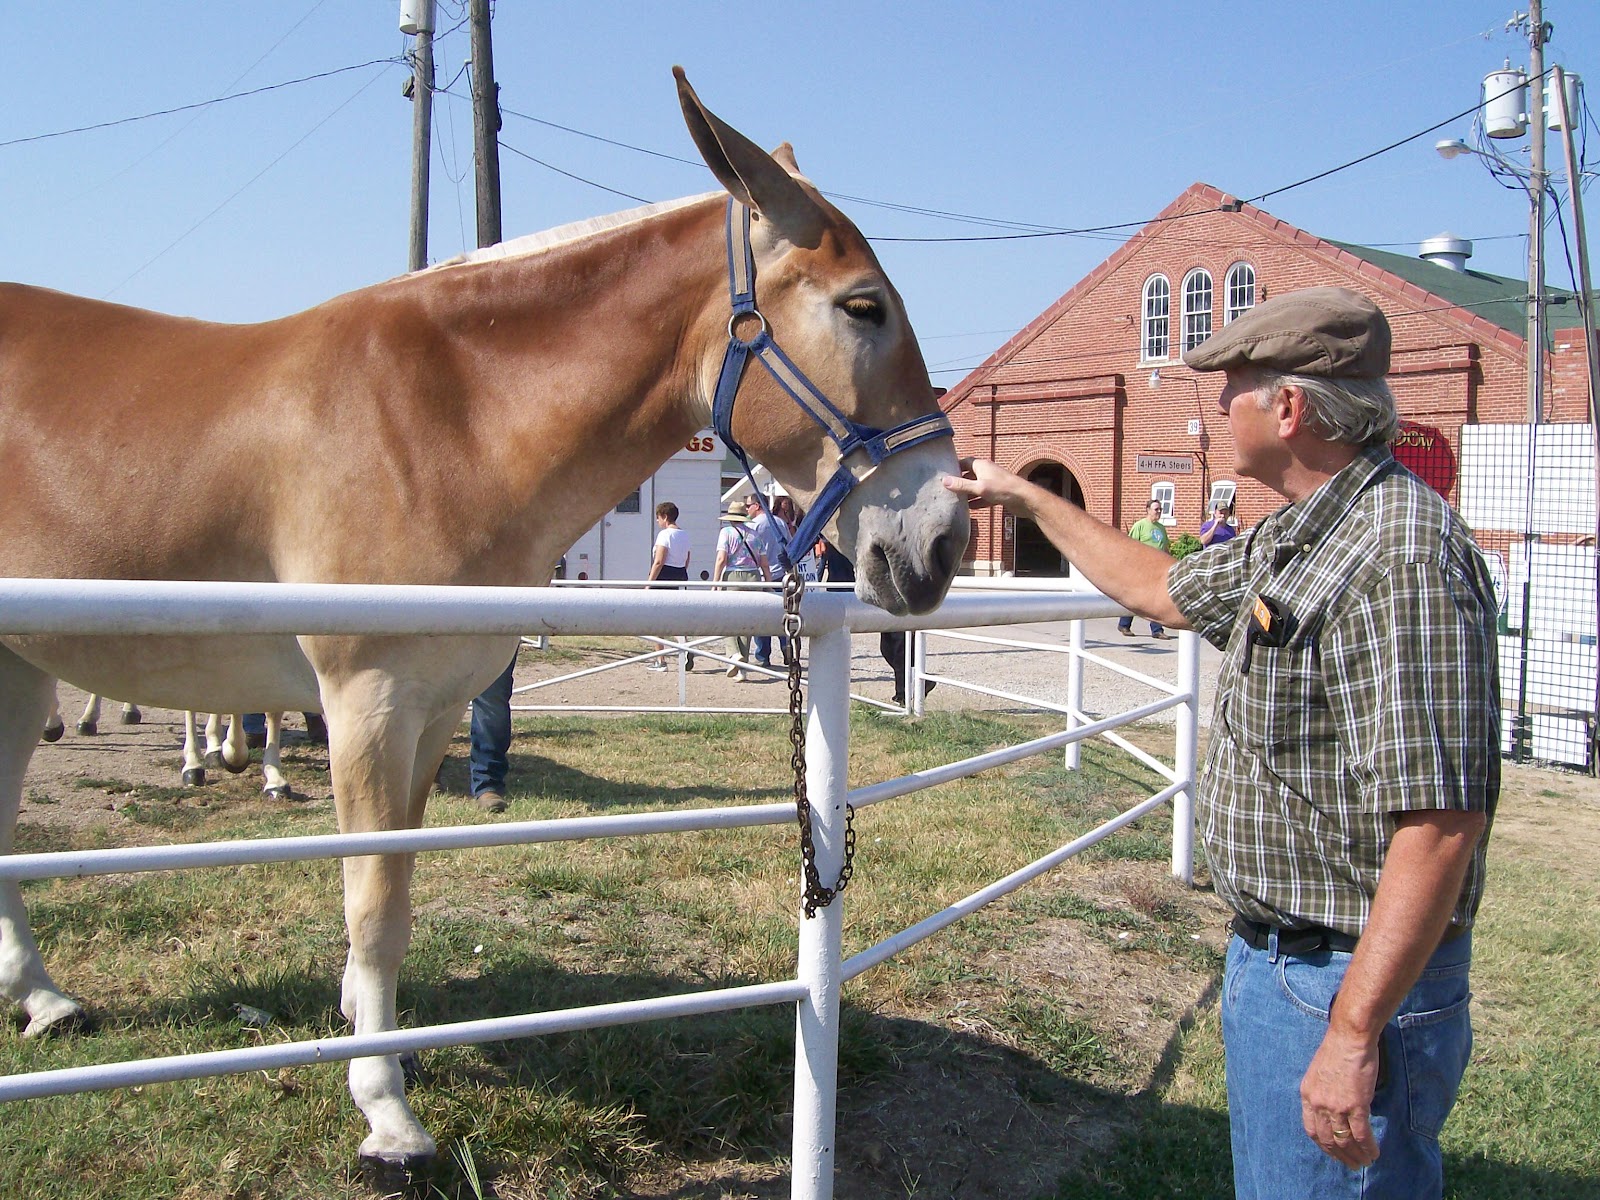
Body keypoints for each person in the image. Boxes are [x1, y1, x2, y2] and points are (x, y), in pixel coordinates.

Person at [943, 286, 1499, 1200]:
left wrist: (1354, 1032)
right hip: (1288, 965)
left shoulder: (1398, 554)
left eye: (1230, 389)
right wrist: (1027, 498)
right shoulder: (1305, 534)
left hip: (1345, 979)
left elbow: (1439, 823)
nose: (1216, 407)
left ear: (1288, 409)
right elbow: (1164, 589)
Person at [712, 499, 769, 679]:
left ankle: (734, 653)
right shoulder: (755, 535)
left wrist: (715, 583)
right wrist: (768, 584)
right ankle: (742, 667)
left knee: (727, 617)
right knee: (748, 621)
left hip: (733, 576)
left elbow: (721, 559)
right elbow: (764, 564)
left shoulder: (726, 533)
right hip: (754, 577)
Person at [645, 501, 692, 672]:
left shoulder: (665, 535)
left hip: (664, 575)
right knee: (676, 614)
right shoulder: (685, 534)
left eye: (658, 518)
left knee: (657, 617)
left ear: (664, 517)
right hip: (680, 574)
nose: (658, 521)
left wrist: (649, 583)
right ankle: (685, 646)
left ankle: (661, 660)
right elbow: (687, 558)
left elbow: (659, 560)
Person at [1117, 499, 1171, 639]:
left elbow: (1165, 547)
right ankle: (1124, 624)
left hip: (1157, 570)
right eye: (1156, 509)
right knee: (1135, 597)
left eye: (1160, 509)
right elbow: (1130, 547)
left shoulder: (1161, 528)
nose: (1158, 512)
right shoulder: (1140, 526)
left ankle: (1157, 630)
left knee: (1156, 600)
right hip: (1141, 569)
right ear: (1148, 510)